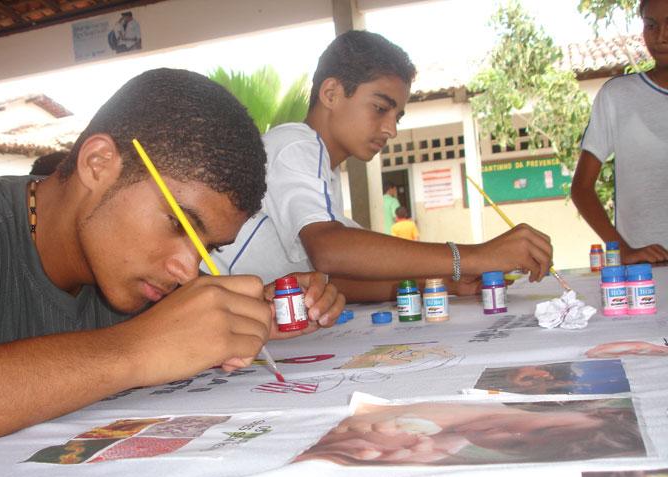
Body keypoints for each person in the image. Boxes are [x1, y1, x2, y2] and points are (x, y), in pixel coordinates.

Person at [0, 69, 344, 459]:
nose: (185, 269)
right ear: (98, 163)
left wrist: (253, 313)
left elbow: (194, 313)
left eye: (206, 249)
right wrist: (132, 353)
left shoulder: (140, 272)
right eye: (177, 224)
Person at [211, 30, 554, 302]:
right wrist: (476, 256)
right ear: (330, 93)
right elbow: (331, 252)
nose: (391, 129)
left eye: (397, 116)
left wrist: (441, 283)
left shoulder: (323, 176)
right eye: (380, 108)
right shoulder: (295, 145)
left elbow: (338, 279)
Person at [570, 0, 668, 264]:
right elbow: (581, 188)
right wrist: (623, 249)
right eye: (651, 25)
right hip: (647, 273)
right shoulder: (618, 96)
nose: (660, 36)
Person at [296, 399, 645, 466]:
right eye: (545, 429)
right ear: (600, 411)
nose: (510, 435)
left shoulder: (429, 450)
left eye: (518, 447)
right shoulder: (460, 407)